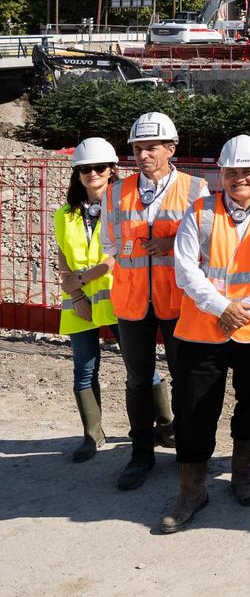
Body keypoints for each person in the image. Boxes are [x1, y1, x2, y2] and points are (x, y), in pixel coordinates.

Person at [161, 135, 250, 533]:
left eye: (248, 171)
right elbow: (186, 269)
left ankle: (242, 472)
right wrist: (222, 307)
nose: (240, 178)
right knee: (195, 409)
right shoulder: (200, 211)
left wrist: (245, 308)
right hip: (203, 329)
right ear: (221, 172)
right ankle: (192, 490)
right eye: (233, 171)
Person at [100, 111, 208, 490]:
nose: (143, 154)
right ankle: (141, 452)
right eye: (138, 148)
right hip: (131, 302)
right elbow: (110, 243)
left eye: (151, 147)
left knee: (185, 378)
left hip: (178, 302)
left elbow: (207, 246)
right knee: (137, 380)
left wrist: (172, 244)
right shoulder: (116, 192)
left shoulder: (196, 190)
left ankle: (187, 451)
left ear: (171, 148)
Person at [54, 138, 120, 462]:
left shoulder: (122, 207)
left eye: (98, 167)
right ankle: (92, 436)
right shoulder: (64, 215)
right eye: (84, 169)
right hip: (79, 303)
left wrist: (80, 279)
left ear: (111, 170)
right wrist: (78, 294)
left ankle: (160, 427)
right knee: (83, 370)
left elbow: (114, 258)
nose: (92, 173)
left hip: (119, 300)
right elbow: (62, 257)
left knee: (141, 367)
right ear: (77, 174)